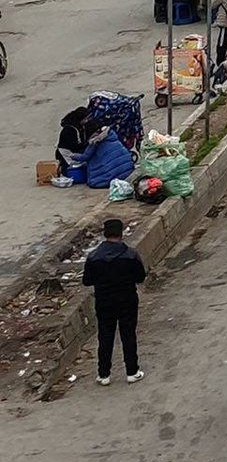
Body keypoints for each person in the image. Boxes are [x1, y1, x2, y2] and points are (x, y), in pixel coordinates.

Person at [83, 218, 146, 387]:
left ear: (105, 234)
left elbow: (87, 281)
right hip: (127, 300)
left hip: (104, 302)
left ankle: (104, 374)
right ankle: (132, 371)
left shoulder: (93, 257)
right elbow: (141, 277)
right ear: (121, 233)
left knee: (105, 336)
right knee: (128, 335)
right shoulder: (131, 255)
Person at [55, 106, 92, 176]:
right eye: (86, 119)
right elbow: (74, 146)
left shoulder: (81, 126)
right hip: (66, 154)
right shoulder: (69, 130)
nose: (87, 121)